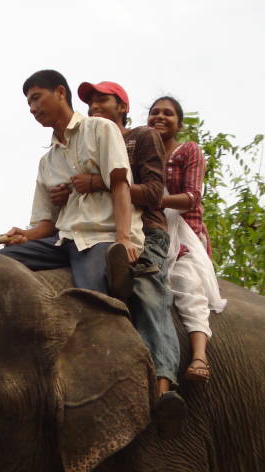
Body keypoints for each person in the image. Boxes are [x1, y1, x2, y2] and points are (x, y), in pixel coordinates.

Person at [67, 80, 184, 416]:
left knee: (149, 293)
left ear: (123, 107)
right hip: (98, 231)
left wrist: (100, 184)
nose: (94, 108)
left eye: (103, 100)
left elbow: (151, 193)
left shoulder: (141, 137)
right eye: (90, 104)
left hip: (146, 230)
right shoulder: (87, 142)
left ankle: (162, 387)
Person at [0, 69, 143, 297]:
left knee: (91, 297)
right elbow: (46, 223)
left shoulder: (100, 129)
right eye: (28, 104)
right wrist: (25, 236)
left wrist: (124, 240)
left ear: (60, 92)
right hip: (62, 240)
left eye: (36, 98)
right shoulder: (47, 161)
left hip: (101, 237)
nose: (32, 109)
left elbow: (119, 185)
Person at [149, 96, 225, 380]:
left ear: (179, 124)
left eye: (167, 114)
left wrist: (157, 200)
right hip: (150, 227)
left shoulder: (188, 151)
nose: (159, 117)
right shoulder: (143, 153)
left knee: (185, 280)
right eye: (154, 112)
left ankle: (199, 356)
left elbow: (193, 197)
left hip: (183, 230)